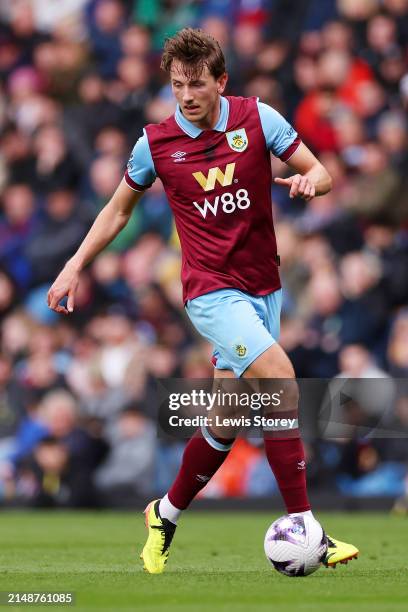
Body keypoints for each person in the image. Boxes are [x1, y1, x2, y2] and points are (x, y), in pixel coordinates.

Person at [48, 28, 359, 574]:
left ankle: (163, 514)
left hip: (265, 286)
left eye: (196, 84)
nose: (186, 96)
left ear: (220, 81)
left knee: (227, 416)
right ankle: (307, 528)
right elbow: (118, 210)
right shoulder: (155, 144)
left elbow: (323, 171)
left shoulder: (258, 119)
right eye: (176, 86)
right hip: (211, 292)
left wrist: (311, 182)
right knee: (279, 377)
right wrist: (75, 266)